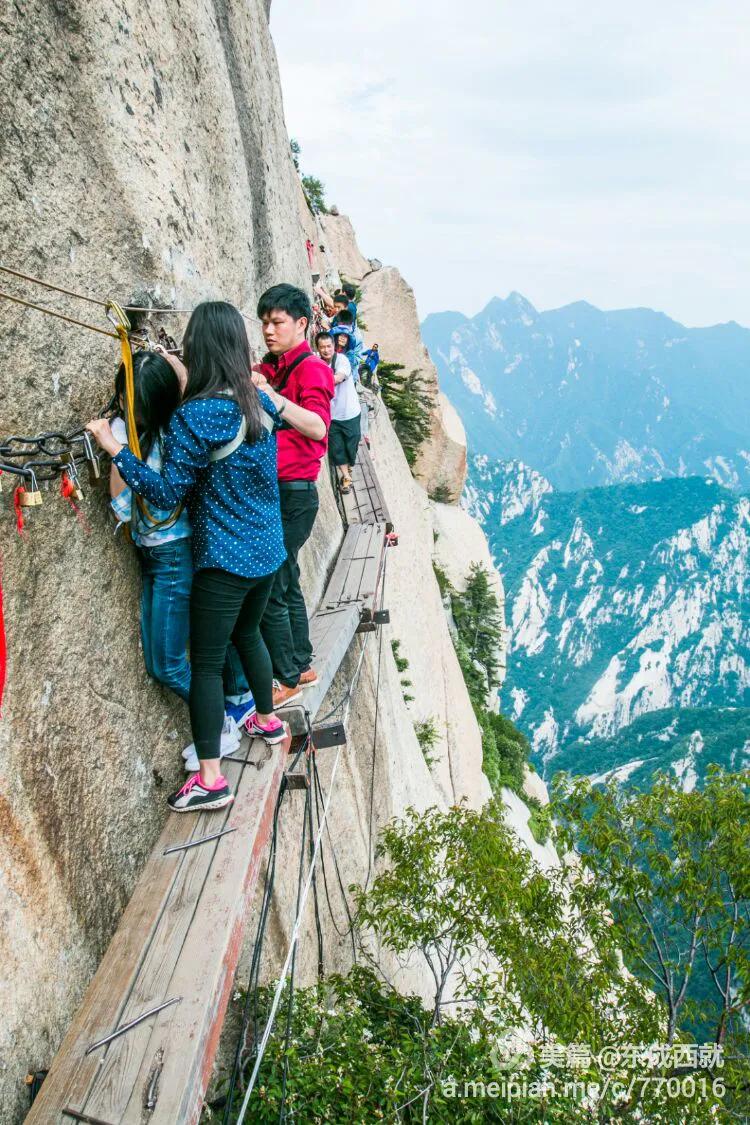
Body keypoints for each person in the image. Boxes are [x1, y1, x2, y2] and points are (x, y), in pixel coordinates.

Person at [87, 301, 317, 813]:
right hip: (268, 550)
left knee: (208, 665)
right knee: (248, 635)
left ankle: (211, 778)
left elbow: (166, 493)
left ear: (197, 347)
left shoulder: (198, 414)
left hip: (226, 560)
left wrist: (116, 449)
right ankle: (266, 718)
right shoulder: (257, 400)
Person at [108, 350, 257, 771]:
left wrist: (115, 450)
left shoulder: (156, 442)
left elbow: (123, 506)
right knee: (190, 651)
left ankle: (221, 725)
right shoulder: (178, 428)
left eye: (129, 401)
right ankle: (234, 705)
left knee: (168, 664)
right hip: (173, 553)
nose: (122, 408)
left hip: (170, 557)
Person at [253, 284, 335, 708]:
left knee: (269, 582)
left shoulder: (311, 371)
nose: (268, 329)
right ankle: (301, 662)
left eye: (277, 322)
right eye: (265, 321)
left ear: (301, 324)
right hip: (286, 492)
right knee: (286, 580)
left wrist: (272, 399)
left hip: (294, 493)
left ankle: (286, 678)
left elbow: (319, 427)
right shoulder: (278, 367)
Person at [316, 330, 361, 493]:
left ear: (334, 346)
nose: (326, 350)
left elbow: (340, 377)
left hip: (350, 412)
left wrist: (320, 381)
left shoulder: (341, 360)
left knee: (352, 444)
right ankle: (345, 477)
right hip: (332, 416)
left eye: (329, 346)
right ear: (318, 349)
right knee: (337, 448)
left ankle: (348, 466)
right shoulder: (317, 364)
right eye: (322, 347)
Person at [331, 308, 363, 379]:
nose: (343, 337)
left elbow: (356, 361)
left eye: (345, 336)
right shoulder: (333, 331)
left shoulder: (357, 337)